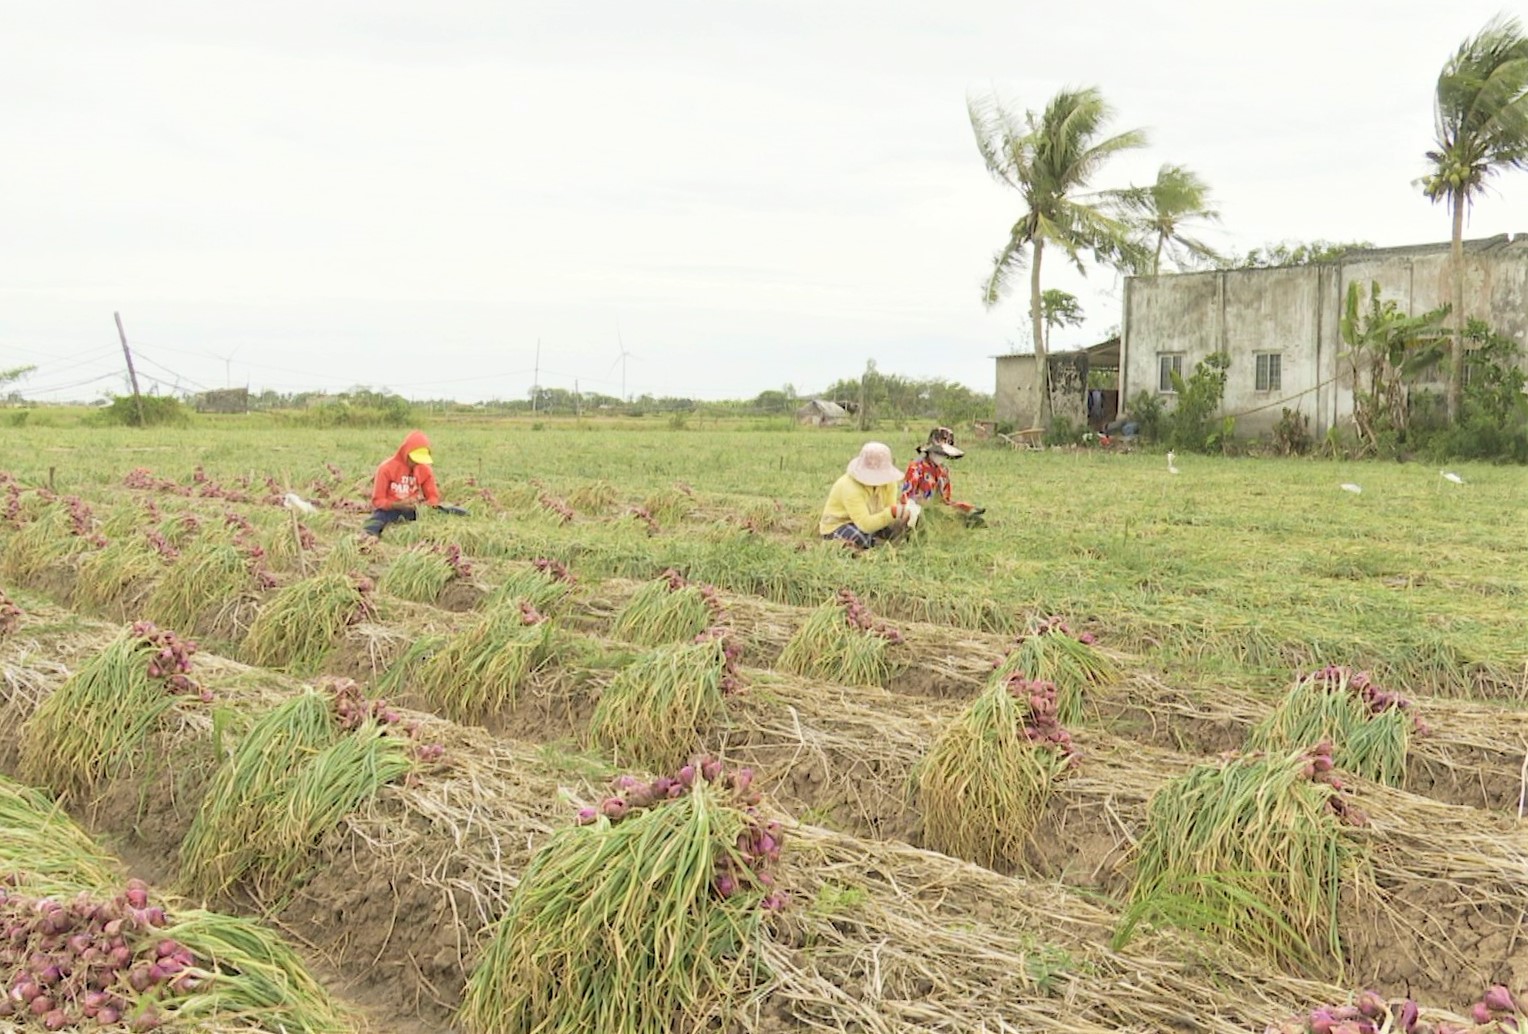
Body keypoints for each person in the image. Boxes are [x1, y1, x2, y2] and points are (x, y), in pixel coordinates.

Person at [362, 430, 465, 538]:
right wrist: (396, 505)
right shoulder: (386, 468)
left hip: (414, 510)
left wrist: (423, 506)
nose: (416, 463)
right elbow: (377, 501)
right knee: (373, 523)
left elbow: (433, 497)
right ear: (406, 452)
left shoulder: (425, 470)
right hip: (390, 510)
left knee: (451, 510)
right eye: (414, 459)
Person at [819, 441, 916, 550]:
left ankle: (880, 541)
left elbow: (888, 509)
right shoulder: (850, 487)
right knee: (862, 538)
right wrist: (892, 512)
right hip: (840, 523)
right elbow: (865, 524)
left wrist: (901, 514)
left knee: (894, 532)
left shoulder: (889, 483)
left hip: (871, 517)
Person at [900, 426, 986, 527]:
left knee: (969, 517)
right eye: (938, 452)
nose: (941, 456)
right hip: (918, 511)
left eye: (944, 454)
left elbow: (945, 500)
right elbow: (906, 498)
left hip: (938, 509)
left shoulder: (943, 471)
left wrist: (964, 508)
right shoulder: (916, 468)